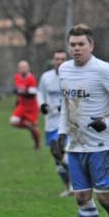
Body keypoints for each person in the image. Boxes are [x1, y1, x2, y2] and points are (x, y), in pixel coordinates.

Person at [58, 23, 109, 217]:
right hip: (76, 145)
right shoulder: (64, 70)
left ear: (91, 45)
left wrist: (107, 121)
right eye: (73, 44)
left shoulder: (104, 70)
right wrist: (62, 132)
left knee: (105, 198)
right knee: (82, 198)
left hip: (102, 145)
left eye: (81, 44)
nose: (76, 49)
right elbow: (66, 103)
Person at [38, 50, 72, 197]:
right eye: (57, 59)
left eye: (63, 59)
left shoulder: (73, 77)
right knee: (58, 160)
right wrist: (43, 105)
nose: (60, 61)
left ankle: (78, 184)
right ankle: (68, 186)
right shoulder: (46, 77)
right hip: (51, 123)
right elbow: (40, 94)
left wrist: (66, 106)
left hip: (69, 123)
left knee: (67, 154)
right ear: (53, 61)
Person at [10, 60, 41, 149]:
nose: (22, 69)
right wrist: (17, 97)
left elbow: (31, 95)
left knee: (33, 128)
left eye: (24, 67)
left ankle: (37, 143)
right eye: (20, 68)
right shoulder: (17, 77)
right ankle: (28, 125)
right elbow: (17, 90)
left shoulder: (31, 79)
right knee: (13, 121)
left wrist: (20, 93)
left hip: (31, 107)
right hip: (22, 105)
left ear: (28, 68)